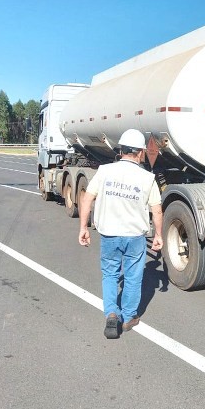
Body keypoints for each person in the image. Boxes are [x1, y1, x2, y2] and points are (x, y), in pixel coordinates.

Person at [78, 129, 163, 339]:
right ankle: (129, 317)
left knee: (110, 274)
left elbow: (87, 199)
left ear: (121, 150)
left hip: (109, 234)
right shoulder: (147, 178)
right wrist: (159, 234)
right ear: (141, 153)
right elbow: (157, 209)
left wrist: (83, 228)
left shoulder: (105, 171)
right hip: (135, 236)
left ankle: (112, 313)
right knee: (134, 277)